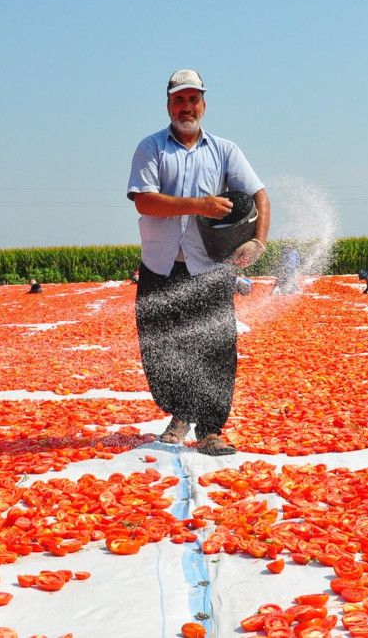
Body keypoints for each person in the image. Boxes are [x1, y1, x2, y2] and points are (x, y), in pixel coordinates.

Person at [127, 69, 270, 457]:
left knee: (216, 348)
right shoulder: (151, 148)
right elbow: (145, 201)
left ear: (204, 104)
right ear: (168, 105)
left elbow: (259, 194)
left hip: (208, 267)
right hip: (161, 266)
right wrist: (199, 205)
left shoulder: (224, 150)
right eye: (179, 100)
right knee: (160, 348)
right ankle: (181, 412)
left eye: (193, 99)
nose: (186, 107)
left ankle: (210, 429)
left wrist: (258, 241)